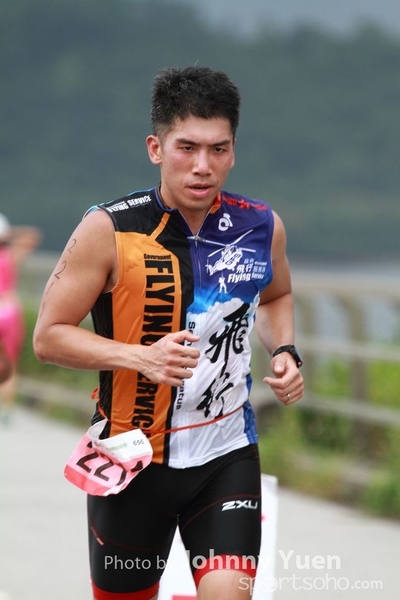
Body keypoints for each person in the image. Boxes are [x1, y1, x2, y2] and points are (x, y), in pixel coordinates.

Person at [33, 66, 304, 600]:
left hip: (227, 454)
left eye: (219, 149)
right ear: (156, 148)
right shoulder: (109, 229)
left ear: (233, 150)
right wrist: (140, 358)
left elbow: (276, 296)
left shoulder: (260, 227)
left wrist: (286, 349)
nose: (203, 166)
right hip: (130, 457)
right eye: (187, 148)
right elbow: (49, 337)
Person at [0, 213, 41, 422]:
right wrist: (8, 234)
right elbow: (32, 236)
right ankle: (6, 409)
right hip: (9, 310)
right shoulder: (11, 256)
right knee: (10, 363)